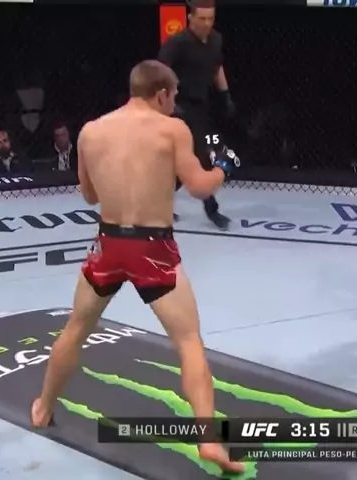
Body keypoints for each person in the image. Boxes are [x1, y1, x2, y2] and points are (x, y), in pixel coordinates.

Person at [30, 59, 244, 474]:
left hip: (108, 243)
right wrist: (225, 166)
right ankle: (208, 441)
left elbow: (89, 196)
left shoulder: (91, 131)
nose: (175, 104)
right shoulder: (172, 129)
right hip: (152, 247)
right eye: (173, 96)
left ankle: (43, 406)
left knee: (76, 327)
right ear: (161, 93)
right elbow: (200, 187)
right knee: (189, 342)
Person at [157, 0, 236, 230]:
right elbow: (159, 74)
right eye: (202, 18)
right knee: (200, 156)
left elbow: (217, 68)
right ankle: (212, 209)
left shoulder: (215, 39)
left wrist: (226, 95)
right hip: (177, 107)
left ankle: (157, 204)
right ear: (190, 18)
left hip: (201, 105)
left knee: (182, 164)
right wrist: (169, 104)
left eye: (211, 18)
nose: (207, 23)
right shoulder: (177, 43)